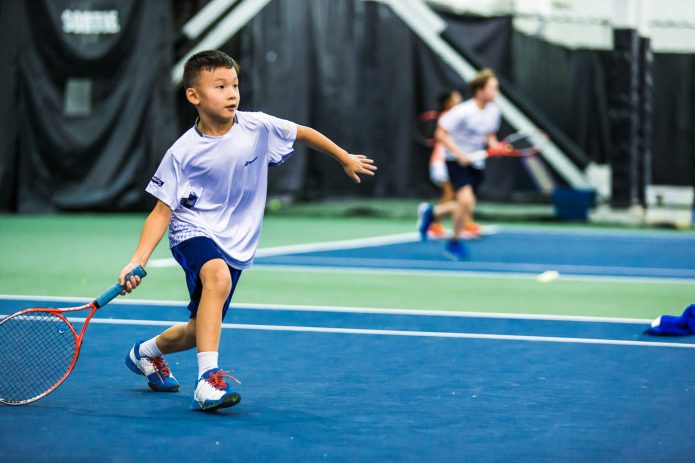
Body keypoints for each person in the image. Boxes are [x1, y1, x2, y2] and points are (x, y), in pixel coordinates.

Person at [117, 50, 377, 412]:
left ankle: (145, 353)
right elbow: (162, 211)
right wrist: (136, 261)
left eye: (234, 85)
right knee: (217, 278)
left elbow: (303, 133)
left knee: (197, 331)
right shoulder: (182, 152)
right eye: (220, 86)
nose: (231, 93)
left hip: (236, 242)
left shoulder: (258, 126)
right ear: (193, 96)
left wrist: (344, 157)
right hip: (191, 230)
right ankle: (208, 381)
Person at [417, 68, 501, 260]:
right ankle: (454, 243)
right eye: (492, 88)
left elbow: (490, 136)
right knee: (466, 201)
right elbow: (440, 134)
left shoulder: (494, 111)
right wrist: (458, 153)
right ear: (479, 91)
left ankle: (432, 212)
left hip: (476, 163)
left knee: (465, 205)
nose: (496, 92)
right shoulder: (462, 111)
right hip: (455, 161)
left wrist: (495, 147)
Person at [427, 89, 462, 238]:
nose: (459, 100)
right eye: (456, 98)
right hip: (441, 162)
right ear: (448, 102)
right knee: (449, 194)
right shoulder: (448, 117)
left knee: (456, 195)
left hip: (449, 161)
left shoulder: (454, 117)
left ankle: (461, 225)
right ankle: (434, 224)